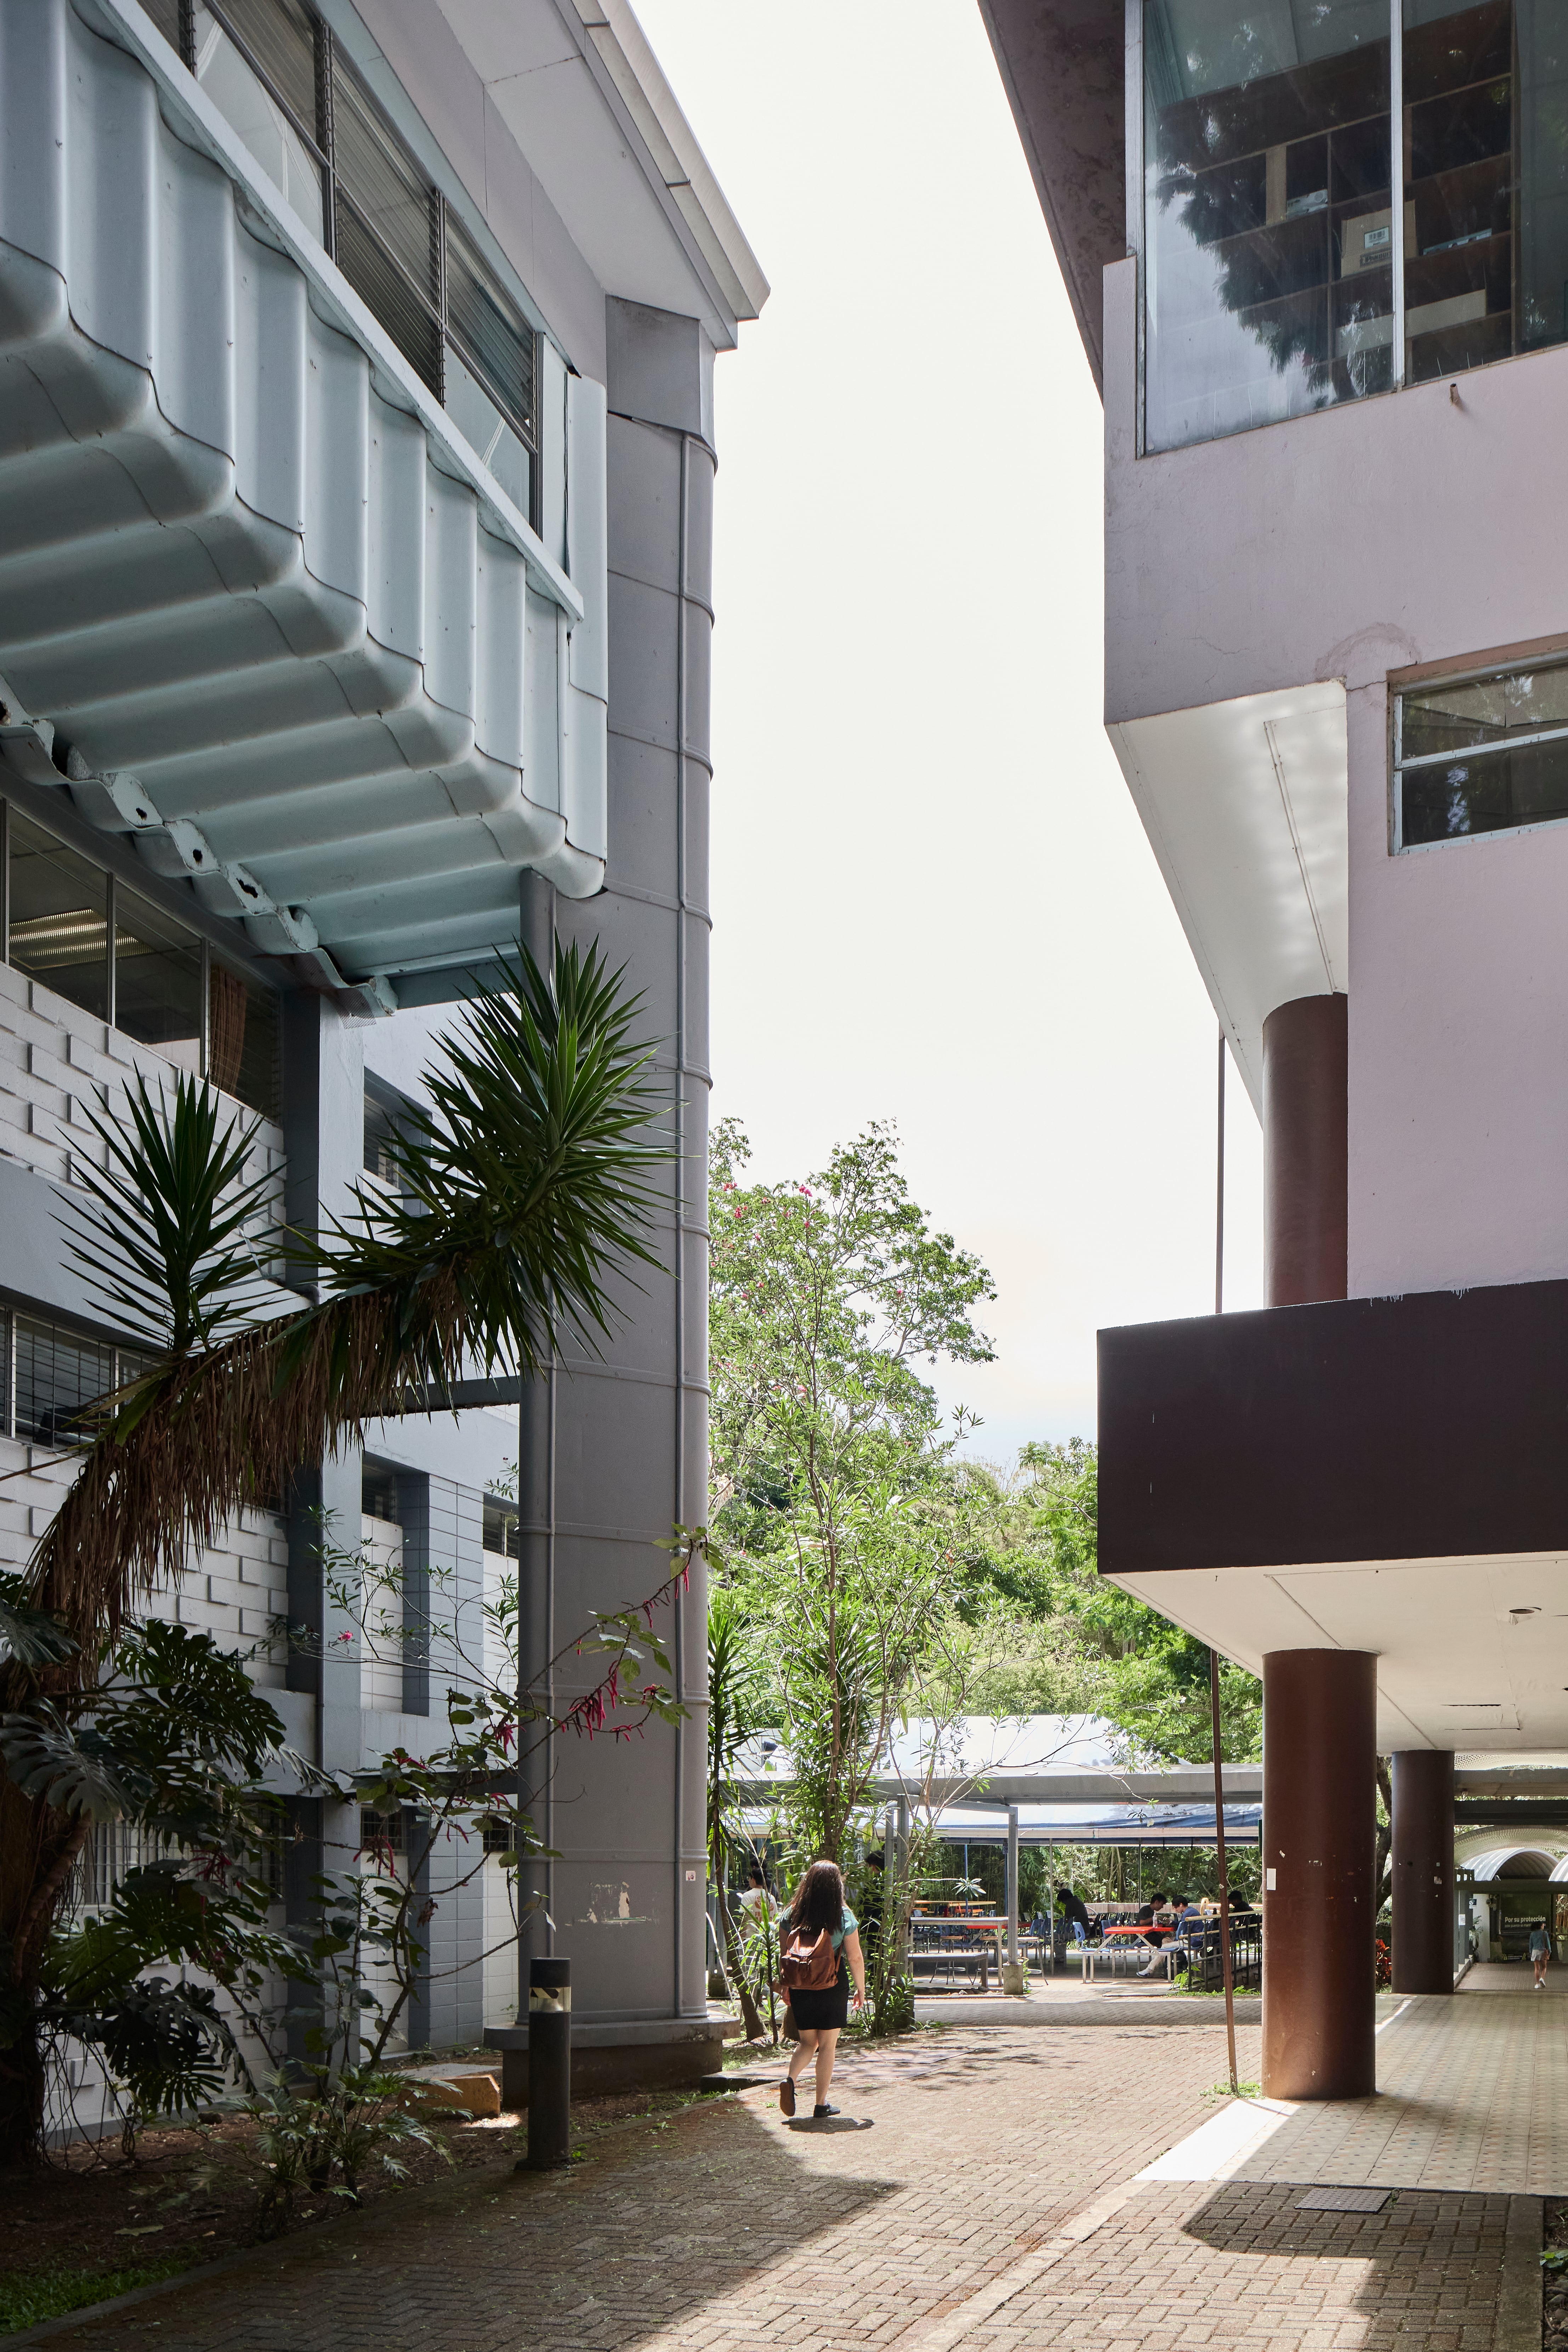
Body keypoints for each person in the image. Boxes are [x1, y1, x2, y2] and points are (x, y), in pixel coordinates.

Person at [777, 1858, 866, 2120]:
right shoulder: (843, 1916)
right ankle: (821, 2104)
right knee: (827, 2045)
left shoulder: (791, 1914)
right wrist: (861, 1990)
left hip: (801, 1985)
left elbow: (785, 1954)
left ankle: (791, 2081)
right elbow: (856, 1957)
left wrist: (786, 1987)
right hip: (832, 1984)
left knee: (807, 2042)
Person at [1530, 1919, 1551, 1988]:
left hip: (1535, 1952)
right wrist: (1549, 1952)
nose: (1543, 1926)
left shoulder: (1533, 1934)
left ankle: (1537, 1984)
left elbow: (1531, 1945)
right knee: (1544, 1967)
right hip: (1543, 1951)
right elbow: (1548, 1944)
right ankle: (1542, 1978)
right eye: (1543, 1925)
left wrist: (1531, 1953)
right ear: (1541, 1926)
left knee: (1537, 1969)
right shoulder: (1544, 1933)